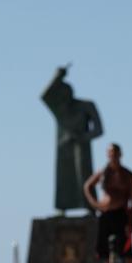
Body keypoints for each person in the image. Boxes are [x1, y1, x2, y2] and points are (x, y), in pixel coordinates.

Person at [41, 65, 104, 212]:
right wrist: (57, 77)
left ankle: (90, 207)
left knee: (84, 176)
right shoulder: (60, 110)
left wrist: (83, 137)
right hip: (64, 148)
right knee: (64, 179)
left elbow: (99, 130)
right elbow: (44, 96)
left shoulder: (86, 106)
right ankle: (62, 208)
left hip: (81, 147)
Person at [84, 143, 132, 263]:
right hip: (105, 213)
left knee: (127, 250)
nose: (112, 155)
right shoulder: (103, 173)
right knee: (104, 250)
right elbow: (87, 186)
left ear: (120, 154)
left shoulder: (128, 175)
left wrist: (131, 221)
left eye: (115, 152)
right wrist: (95, 204)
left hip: (122, 214)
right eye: (110, 153)